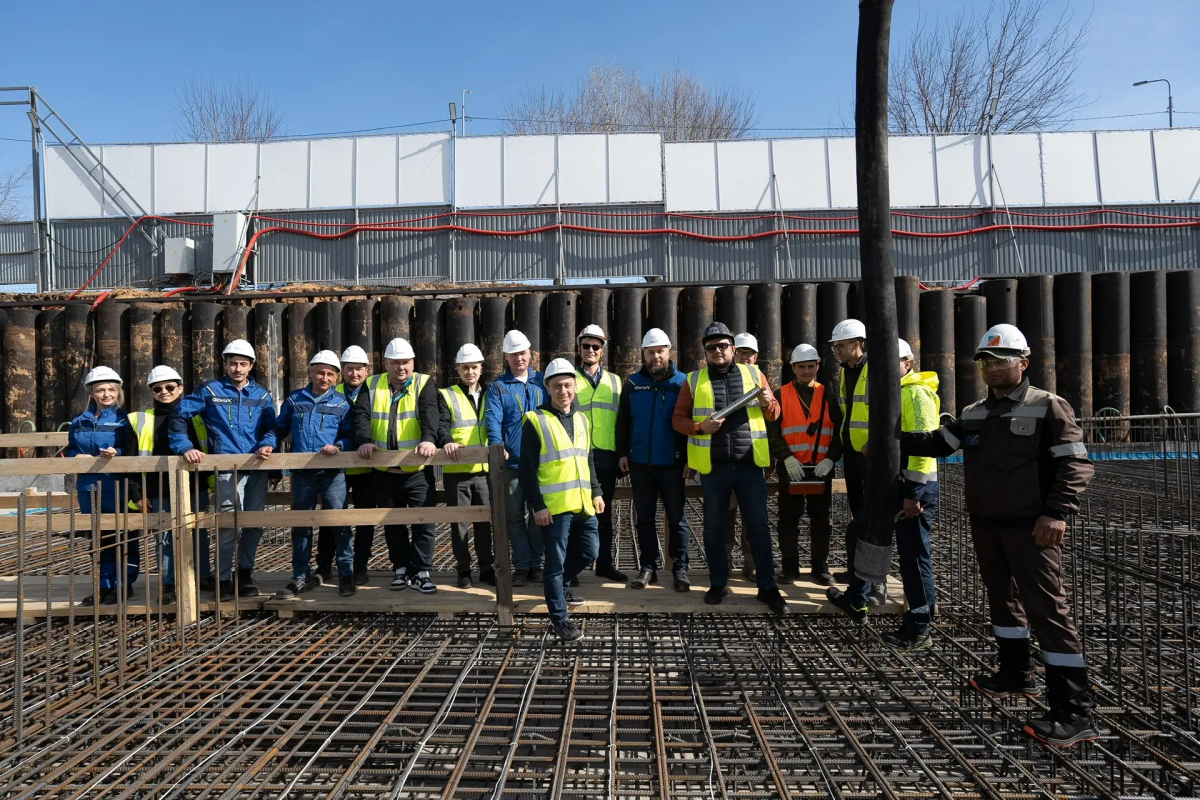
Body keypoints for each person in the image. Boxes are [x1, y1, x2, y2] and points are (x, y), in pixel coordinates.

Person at [900, 323, 1097, 747]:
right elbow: (937, 443)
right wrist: (889, 440)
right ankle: (1015, 674)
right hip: (987, 525)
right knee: (1002, 601)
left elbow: (1076, 464)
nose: (990, 368)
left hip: (1032, 528)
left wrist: (1057, 513)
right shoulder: (974, 413)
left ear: (1023, 363)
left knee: (1048, 610)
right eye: (985, 362)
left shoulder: (1048, 406)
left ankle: (1074, 711)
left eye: (1000, 361)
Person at [828, 339, 940, 646]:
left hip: (913, 488)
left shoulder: (916, 394)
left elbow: (922, 448)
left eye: (895, 364)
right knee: (861, 534)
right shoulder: (894, 393)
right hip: (894, 485)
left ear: (908, 363)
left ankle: (919, 624)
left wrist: (914, 494)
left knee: (914, 557)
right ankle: (858, 597)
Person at [672, 322, 788, 616]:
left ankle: (768, 588)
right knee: (712, 529)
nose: (718, 351)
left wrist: (767, 403)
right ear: (705, 353)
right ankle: (718, 582)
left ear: (733, 349)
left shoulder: (753, 374)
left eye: (723, 346)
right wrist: (701, 427)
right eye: (711, 348)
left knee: (759, 528)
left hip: (750, 465)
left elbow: (775, 413)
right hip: (715, 468)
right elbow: (678, 420)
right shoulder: (693, 381)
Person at [170, 339, 277, 601]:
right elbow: (178, 416)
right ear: (225, 364)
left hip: (256, 467)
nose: (237, 369)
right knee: (228, 524)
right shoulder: (210, 390)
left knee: (254, 523)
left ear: (251, 366)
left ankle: (244, 573)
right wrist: (184, 447)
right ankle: (223, 579)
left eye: (242, 364)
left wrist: (267, 444)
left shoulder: (262, 395)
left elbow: (272, 428)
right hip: (225, 467)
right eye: (233, 364)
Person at [519, 358, 603, 642]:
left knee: (590, 551)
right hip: (554, 508)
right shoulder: (535, 420)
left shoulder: (582, 419)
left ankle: (562, 584)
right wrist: (538, 506)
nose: (563, 391)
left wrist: (597, 490)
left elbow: (587, 459)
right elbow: (527, 469)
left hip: (583, 503)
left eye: (568, 385)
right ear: (548, 388)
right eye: (557, 386)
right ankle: (560, 618)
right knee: (553, 563)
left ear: (575, 386)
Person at [353, 337, 440, 594]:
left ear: (413, 363)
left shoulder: (424, 383)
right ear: (386, 363)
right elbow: (362, 416)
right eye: (395, 363)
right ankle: (400, 568)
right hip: (384, 472)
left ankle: (421, 571)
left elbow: (430, 413)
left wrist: (428, 439)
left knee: (424, 522)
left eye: (405, 362)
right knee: (393, 524)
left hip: (417, 471)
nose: (401, 367)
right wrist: (364, 441)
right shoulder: (372, 384)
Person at [129, 365, 213, 607]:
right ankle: (168, 583)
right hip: (158, 488)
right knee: (165, 538)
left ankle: (203, 575)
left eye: (169, 387)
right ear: (151, 391)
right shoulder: (141, 420)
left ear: (181, 388)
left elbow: (211, 447)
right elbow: (131, 462)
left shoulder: (198, 417)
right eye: (158, 388)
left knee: (200, 533)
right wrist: (138, 494)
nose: (164, 392)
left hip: (195, 485)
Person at [616, 328, 692, 591]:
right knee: (644, 519)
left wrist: (689, 459)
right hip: (641, 465)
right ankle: (649, 567)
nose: (656, 356)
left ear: (669, 351)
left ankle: (680, 568)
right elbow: (623, 421)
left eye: (660, 351)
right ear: (644, 354)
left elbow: (689, 423)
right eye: (651, 352)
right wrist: (623, 453)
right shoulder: (634, 383)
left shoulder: (683, 383)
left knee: (677, 518)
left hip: (672, 463)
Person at [275, 351, 355, 598]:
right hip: (302, 474)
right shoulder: (294, 400)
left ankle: (346, 575)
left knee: (340, 525)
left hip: (332, 474)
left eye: (330, 374)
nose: (325, 377)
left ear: (336, 377)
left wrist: (339, 446)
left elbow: (351, 435)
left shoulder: (342, 404)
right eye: (320, 372)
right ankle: (300, 576)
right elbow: (278, 429)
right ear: (310, 372)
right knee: (301, 527)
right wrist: (265, 446)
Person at [765, 344, 840, 586]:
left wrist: (831, 459)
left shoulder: (828, 396)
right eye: (801, 367)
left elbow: (840, 432)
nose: (806, 371)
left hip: (821, 469)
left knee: (821, 520)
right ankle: (790, 567)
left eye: (810, 366)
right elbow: (772, 432)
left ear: (817, 366)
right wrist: (786, 457)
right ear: (793, 368)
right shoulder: (780, 395)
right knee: (788, 519)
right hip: (792, 469)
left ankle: (820, 567)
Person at [484, 330, 546, 588]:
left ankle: (535, 563)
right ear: (506, 357)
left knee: (539, 514)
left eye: (523, 353)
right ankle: (521, 565)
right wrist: (498, 445)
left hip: (541, 464)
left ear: (530, 353)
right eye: (514, 354)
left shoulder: (544, 382)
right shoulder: (498, 387)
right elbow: (493, 419)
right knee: (513, 517)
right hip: (512, 464)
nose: (519, 358)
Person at [69, 367, 135, 606]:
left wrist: (118, 453)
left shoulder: (125, 420)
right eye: (100, 390)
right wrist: (75, 457)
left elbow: (134, 451)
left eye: (111, 390)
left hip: (116, 484)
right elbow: (72, 449)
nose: (106, 394)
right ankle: (103, 586)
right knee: (98, 537)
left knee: (123, 534)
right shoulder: (79, 421)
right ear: (92, 392)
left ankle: (123, 584)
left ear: (118, 392)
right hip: (88, 487)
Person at [437, 343, 495, 589]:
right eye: (465, 367)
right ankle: (463, 570)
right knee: (459, 523)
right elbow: (441, 425)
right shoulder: (447, 394)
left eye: (474, 367)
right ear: (457, 369)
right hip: (457, 471)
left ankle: (486, 568)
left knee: (484, 522)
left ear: (481, 369)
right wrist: (448, 442)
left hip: (484, 470)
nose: (470, 372)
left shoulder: (492, 393)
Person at [573, 324, 626, 584]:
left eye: (596, 346)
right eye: (586, 346)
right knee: (573, 514)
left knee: (604, 515)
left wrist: (621, 454)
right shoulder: (569, 379)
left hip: (605, 458)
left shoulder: (615, 382)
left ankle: (604, 564)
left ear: (602, 350)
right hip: (576, 458)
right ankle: (571, 569)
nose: (591, 350)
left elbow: (623, 422)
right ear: (579, 349)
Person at [317, 345, 374, 586]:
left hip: (367, 469)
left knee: (365, 520)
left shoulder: (374, 392)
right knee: (331, 518)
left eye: (359, 369)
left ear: (366, 371)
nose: (354, 374)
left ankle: (359, 566)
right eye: (349, 369)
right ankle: (324, 566)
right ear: (343, 372)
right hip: (336, 467)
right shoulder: (333, 392)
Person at [723, 332, 761, 580]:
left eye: (750, 353)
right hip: (725, 462)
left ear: (756, 357)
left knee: (752, 518)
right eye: (742, 353)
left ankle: (752, 563)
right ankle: (724, 562)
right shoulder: (722, 380)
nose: (745, 357)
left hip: (752, 460)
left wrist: (770, 404)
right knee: (725, 516)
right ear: (734, 353)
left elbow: (774, 418)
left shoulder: (759, 379)